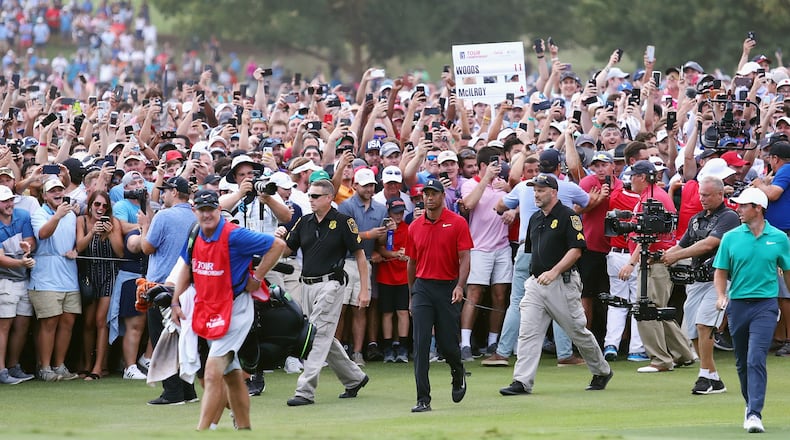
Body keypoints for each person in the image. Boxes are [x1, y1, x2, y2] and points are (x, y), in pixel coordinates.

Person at [171, 190, 285, 430]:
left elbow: (277, 245)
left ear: (218, 210)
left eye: (211, 209)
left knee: (212, 372)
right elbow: (187, 268)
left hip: (235, 309)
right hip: (211, 309)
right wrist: (175, 301)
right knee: (232, 376)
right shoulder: (194, 235)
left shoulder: (235, 235)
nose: (206, 214)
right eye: (201, 210)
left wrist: (258, 277)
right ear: (195, 211)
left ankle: (202, 430)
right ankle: (243, 427)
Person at [499, 174, 613, 396]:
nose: (536, 194)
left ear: (553, 192)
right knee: (528, 332)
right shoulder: (534, 219)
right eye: (534, 190)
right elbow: (533, 252)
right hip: (536, 283)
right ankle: (521, 381)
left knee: (577, 332)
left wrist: (554, 271)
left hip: (563, 282)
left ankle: (601, 370)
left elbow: (576, 250)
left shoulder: (569, 217)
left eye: (540, 190)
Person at [278, 179, 370, 406]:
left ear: (329, 198)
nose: (311, 200)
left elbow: (359, 255)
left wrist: (365, 289)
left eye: (316, 196)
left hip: (332, 284)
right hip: (307, 285)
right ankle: (354, 378)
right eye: (310, 196)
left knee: (316, 335)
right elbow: (288, 249)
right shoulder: (304, 221)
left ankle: (305, 390)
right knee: (324, 336)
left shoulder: (343, 221)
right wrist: (277, 239)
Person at [713, 187, 790, 434]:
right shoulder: (731, 237)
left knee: (756, 357)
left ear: (758, 208)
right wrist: (721, 295)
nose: (738, 209)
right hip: (737, 306)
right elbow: (721, 270)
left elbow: (787, 271)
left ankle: (755, 412)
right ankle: (750, 406)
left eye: (744, 206)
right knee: (742, 361)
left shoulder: (779, 238)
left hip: (766, 305)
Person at [661, 176, 739, 395]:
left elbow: (710, 244)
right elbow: (682, 243)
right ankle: (714, 378)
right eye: (700, 194)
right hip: (696, 280)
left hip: (719, 279)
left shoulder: (729, 217)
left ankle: (704, 375)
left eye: (706, 195)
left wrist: (676, 257)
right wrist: (662, 256)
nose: (701, 198)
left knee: (705, 324)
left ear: (719, 195)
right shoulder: (696, 218)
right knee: (693, 330)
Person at [618, 160, 695, 373]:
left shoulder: (652, 198)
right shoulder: (654, 195)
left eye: (633, 175)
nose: (630, 179)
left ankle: (661, 360)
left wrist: (631, 263)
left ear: (642, 177)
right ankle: (684, 354)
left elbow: (647, 236)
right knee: (658, 310)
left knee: (648, 310)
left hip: (654, 260)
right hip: (658, 259)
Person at [406, 177, 471, 413]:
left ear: (443, 196)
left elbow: (465, 258)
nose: (429, 197)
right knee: (421, 343)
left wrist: (460, 286)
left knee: (447, 344)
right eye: (426, 194)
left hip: (448, 286)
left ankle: (457, 370)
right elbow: (411, 263)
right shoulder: (414, 227)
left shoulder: (457, 223)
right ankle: (423, 398)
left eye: (434, 193)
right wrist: (412, 295)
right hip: (423, 287)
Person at [139, 176, 200, 402]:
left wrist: (144, 227)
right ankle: (188, 391)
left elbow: (147, 247)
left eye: (165, 191)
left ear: (175, 192)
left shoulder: (164, 216)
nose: (162, 195)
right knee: (182, 340)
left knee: (162, 341)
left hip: (162, 287)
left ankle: (173, 392)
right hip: (188, 288)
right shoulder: (195, 215)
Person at [459, 147, 512, 360]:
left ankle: (493, 344)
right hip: (478, 248)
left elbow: (518, 205)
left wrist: (512, 209)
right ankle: (464, 344)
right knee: (474, 294)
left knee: (500, 295)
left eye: (500, 163)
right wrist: (486, 178)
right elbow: (468, 205)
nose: (498, 167)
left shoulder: (504, 186)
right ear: (482, 165)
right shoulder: (469, 184)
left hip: (502, 247)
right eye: (493, 163)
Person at [29, 178, 81, 381]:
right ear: (44, 195)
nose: (57, 194)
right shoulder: (40, 214)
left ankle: (59, 365)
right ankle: (44, 367)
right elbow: (42, 234)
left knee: (67, 322)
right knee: (49, 323)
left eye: (60, 190)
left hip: (69, 276)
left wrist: (75, 250)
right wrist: (57, 216)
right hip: (45, 277)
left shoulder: (71, 214)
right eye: (52, 191)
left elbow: (77, 241)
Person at [75, 190, 123, 380]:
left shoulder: (114, 222)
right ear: (90, 205)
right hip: (90, 274)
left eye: (104, 205)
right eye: (97, 204)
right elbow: (79, 246)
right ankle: (87, 364)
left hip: (109, 274)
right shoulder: (82, 221)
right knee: (88, 322)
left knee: (101, 321)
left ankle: (98, 367)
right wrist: (92, 232)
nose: (100, 209)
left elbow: (120, 252)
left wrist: (110, 233)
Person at [0, 185, 37, 384]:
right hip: (4, 281)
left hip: (23, 279)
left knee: (22, 324)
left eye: (11, 200)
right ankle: (2, 370)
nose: (9, 204)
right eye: (5, 201)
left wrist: (27, 249)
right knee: (3, 327)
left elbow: (30, 240)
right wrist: (21, 262)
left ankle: (14, 366)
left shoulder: (22, 215)